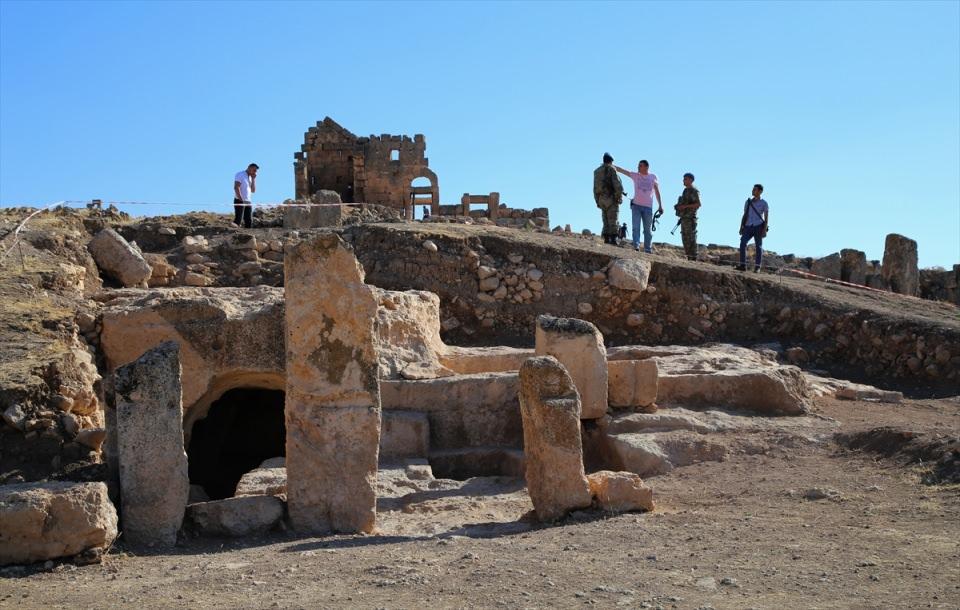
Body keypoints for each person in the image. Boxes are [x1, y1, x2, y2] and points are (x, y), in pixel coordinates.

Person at [615, 159, 664, 253]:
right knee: (635, 227)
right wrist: (610, 165)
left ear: (646, 167)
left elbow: (657, 192)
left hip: (648, 208)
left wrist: (660, 205)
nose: (638, 167)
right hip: (636, 206)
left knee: (647, 230)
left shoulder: (653, 177)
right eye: (638, 165)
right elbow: (623, 170)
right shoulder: (635, 175)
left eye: (640, 166)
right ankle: (636, 246)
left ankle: (647, 249)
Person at [593, 153, 624, 244]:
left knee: (605, 219)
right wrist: (618, 197)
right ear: (611, 161)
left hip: (601, 198)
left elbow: (595, 187)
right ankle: (613, 239)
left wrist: (597, 200)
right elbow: (618, 185)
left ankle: (606, 239)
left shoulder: (596, 171)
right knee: (613, 219)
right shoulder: (611, 169)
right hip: (611, 198)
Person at [738, 184, 769, 271]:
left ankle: (757, 267)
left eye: (755, 189)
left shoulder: (764, 203)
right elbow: (744, 215)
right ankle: (743, 265)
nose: (753, 191)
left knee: (758, 246)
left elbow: (766, 218)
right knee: (743, 243)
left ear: (760, 191)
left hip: (758, 226)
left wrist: (764, 230)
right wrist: (741, 227)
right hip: (748, 226)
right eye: (753, 189)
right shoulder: (748, 202)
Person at [674, 172, 701, 260]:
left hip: (690, 219)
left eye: (685, 179)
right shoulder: (685, 191)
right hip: (684, 218)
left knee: (691, 238)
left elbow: (698, 204)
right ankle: (689, 257)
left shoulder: (694, 191)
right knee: (685, 238)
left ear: (690, 180)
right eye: (683, 179)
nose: (683, 181)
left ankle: (693, 258)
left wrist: (685, 206)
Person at [233, 163, 258, 228]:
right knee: (238, 219)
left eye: (256, 171)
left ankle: (248, 235)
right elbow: (236, 187)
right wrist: (240, 199)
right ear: (249, 167)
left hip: (248, 201)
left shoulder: (250, 177)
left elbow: (253, 190)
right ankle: (233, 233)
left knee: (249, 220)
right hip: (239, 199)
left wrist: (253, 179)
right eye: (254, 170)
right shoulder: (240, 174)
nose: (255, 172)